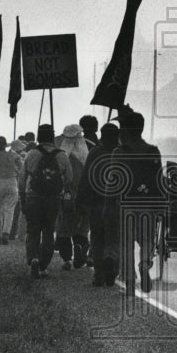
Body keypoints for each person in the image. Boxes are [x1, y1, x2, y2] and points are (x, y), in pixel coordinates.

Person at [103, 111, 164, 294]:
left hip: (126, 204)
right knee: (147, 239)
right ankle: (145, 264)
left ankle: (129, 283)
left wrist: (108, 204)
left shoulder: (119, 153)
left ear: (126, 131)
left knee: (126, 243)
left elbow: (113, 181)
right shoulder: (153, 151)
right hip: (148, 204)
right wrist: (162, 205)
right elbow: (159, 180)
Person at [19, 124, 70, 279]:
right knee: (48, 231)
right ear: (52, 137)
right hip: (53, 198)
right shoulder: (62, 155)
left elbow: (22, 180)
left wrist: (23, 198)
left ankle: (33, 258)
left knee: (33, 229)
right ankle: (43, 265)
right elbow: (69, 179)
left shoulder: (31, 154)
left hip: (33, 196)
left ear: (39, 137)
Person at [76, 122, 119, 286]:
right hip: (117, 204)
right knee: (115, 238)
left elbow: (86, 177)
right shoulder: (123, 153)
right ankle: (112, 263)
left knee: (97, 238)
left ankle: (99, 273)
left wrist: (80, 201)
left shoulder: (95, 152)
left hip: (96, 203)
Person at [55, 124, 90, 270]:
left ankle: (67, 258)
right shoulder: (87, 153)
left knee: (64, 228)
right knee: (82, 227)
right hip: (84, 196)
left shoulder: (61, 155)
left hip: (65, 195)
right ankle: (79, 246)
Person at [0, 136, 23, 245]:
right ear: (5, 145)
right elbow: (21, 167)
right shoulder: (14, 155)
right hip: (11, 181)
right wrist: (16, 172)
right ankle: (6, 233)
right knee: (10, 210)